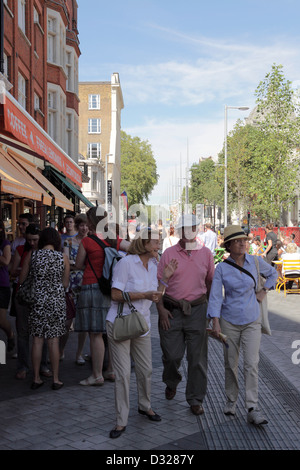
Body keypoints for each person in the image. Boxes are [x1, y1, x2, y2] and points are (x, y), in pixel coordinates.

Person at [106, 227, 178, 439]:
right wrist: (143, 295)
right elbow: (115, 294)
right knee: (122, 375)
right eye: (156, 242)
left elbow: (156, 296)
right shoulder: (126, 263)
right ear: (145, 244)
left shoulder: (154, 265)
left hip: (142, 324)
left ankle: (144, 406)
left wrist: (165, 278)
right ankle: (121, 421)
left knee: (146, 370)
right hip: (121, 323)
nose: (159, 245)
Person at [207, 225, 278, 425]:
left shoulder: (255, 262)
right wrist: (215, 321)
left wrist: (264, 292)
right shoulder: (221, 268)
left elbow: (274, 274)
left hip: (252, 321)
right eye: (238, 241)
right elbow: (214, 296)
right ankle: (231, 400)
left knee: (252, 363)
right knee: (231, 363)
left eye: (244, 240)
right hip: (229, 322)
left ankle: (252, 406)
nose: (243, 243)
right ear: (229, 245)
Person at [157, 214, 215, 415]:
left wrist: (210, 310)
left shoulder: (206, 254)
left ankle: (195, 399)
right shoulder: (168, 254)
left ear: (196, 229)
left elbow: (210, 283)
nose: (188, 232)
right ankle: (171, 381)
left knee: (198, 359)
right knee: (171, 356)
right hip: (171, 311)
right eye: (184, 228)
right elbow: (158, 287)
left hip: (197, 310)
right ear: (179, 231)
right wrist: (161, 310)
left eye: (191, 227)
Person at [74, 206, 130, 386]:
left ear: (90, 221)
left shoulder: (87, 242)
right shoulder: (113, 238)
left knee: (96, 333)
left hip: (92, 287)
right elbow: (133, 248)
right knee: (111, 331)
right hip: (111, 288)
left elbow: (79, 264)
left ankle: (97, 374)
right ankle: (111, 370)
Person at [19, 227, 70, 390]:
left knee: (37, 340)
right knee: (53, 341)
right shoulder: (63, 257)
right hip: (56, 302)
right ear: (56, 240)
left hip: (37, 302)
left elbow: (22, 279)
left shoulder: (32, 255)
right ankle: (55, 379)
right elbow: (65, 284)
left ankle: (36, 378)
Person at [11, 224, 51, 380]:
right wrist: (26, 268)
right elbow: (13, 271)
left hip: (40, 297)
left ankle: (43, 365)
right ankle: (23, 366)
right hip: (23, 296)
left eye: (35, 240)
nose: (32, 243)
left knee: (42, 333)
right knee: (23, 333)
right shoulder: (22, 250)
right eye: (29, 240)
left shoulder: (46, 253)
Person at [59, 213, 89, 364]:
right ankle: (61, 350)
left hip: (85, 285)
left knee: (82, 323)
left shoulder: (91, 243)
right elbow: (65, 264)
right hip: (70, 285)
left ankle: (79, 353)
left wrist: (75, 265)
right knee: (66, 321)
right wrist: (79, 266)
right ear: (77, 226)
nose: (84, 228)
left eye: (86, 225)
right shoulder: (68, 242)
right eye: (81, 225)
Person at [0, 220, 14, 351]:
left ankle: (10, 335)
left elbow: (6, 260)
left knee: (1, 319)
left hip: (2, 285)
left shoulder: (5, 243)